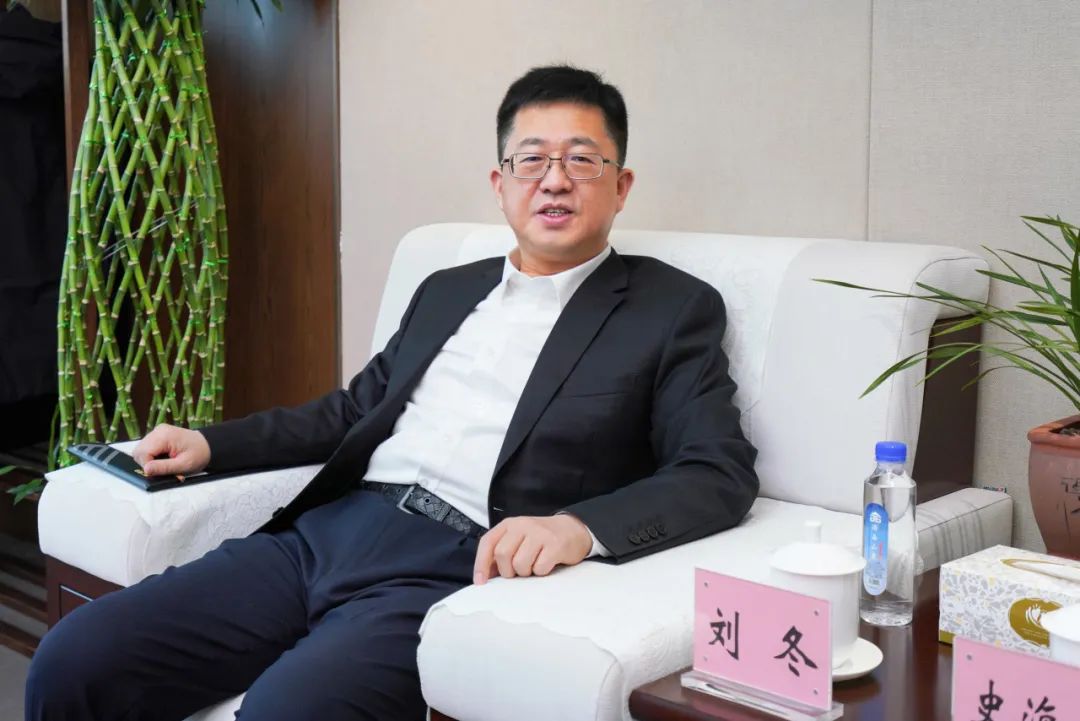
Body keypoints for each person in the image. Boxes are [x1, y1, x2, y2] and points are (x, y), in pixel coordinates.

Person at [26, 65, 758, 721]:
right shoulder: (448, 288)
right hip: (327, 534)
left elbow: (716, 470)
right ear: (500, 183)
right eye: (532, 159)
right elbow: (355, 410)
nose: (555, 179)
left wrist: (576, 527)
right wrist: (211, 443)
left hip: (455, 567)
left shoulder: (670, 309)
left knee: (289, 710)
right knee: (76, 658)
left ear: (621, 185)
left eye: (582, 160)